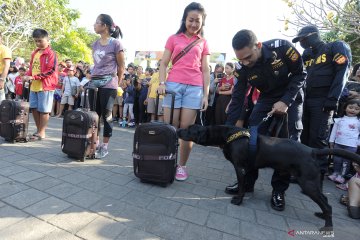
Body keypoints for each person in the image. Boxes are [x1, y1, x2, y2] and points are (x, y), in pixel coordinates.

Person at [225, 29, 305, 211]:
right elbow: (237, 98)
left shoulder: (283, 48)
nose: (245, 62)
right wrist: (229, 129)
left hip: (291, 96)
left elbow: (301, 74)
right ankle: (246, 183)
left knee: (288, 144)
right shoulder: (242, 67)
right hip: (266, 98)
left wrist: (285, 101)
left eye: (248, 57)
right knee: (251, 140)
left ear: (258, 45)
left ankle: (278, 190)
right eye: (240, 59)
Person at [292, 25, 352, 186]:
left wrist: (332, 99)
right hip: (305, 100)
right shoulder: (307, 54)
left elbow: (343, 72)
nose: (302, 42)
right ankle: (301, 171)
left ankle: (316, 175)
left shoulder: (335, 47)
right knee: (303, 137)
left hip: (323, 100)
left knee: (318, 138)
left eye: (302, 39)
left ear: (313, 35)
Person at [157, 2, 210, 181]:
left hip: (194, 88)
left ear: (203, 23)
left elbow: (205, 70)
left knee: (186, 131)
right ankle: (166, 160)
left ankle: (182, 166)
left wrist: (205, 95)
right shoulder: (173, 38)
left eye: (198, 21)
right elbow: (163, 63)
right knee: (170, 128)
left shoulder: (203, 42)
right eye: (191, 20)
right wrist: (162, 82)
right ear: (184, 19)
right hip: (172, 86)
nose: (194, 24)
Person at [91, 13, 125, 159]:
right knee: (94, 115)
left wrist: (117, 83)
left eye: (97, 22)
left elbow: (121, 66)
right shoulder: (95, 43)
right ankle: (96, 143)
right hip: (94, 82)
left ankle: (105, 146)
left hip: (109, 83)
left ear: (104, 26)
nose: (94, 25)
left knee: (107, 114)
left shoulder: (116, 44)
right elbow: (97, 64)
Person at [24, 28, 58, 141]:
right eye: (36, 41)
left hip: (46, 85)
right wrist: (27, 76)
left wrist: (34, 77)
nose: (38, 43)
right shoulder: (35, 53)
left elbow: (51, 70)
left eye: (40, 40)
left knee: (44, 110)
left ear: (47, 39)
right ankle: (38, 130)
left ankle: (42, 132)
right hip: (34, 85)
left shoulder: (51, 53)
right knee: (34, 108)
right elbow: (31, 68)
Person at [328, 99, 360, 184]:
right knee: (336, 160)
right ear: (345, 108)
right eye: (351, 107)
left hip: (351, 145)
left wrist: (358, 143)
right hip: (338, 143)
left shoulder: (358, 122)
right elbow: (334, 131)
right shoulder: (339, 120)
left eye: (356, 109)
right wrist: (331, 141)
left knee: (346, 162)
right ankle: (335, 173)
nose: (353, 110)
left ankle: (341, 176)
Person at [0, 31, 12, 103]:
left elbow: (7, 65)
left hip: (1, 76)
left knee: (1, 102)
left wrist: (1, 80)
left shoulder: (4, 49)